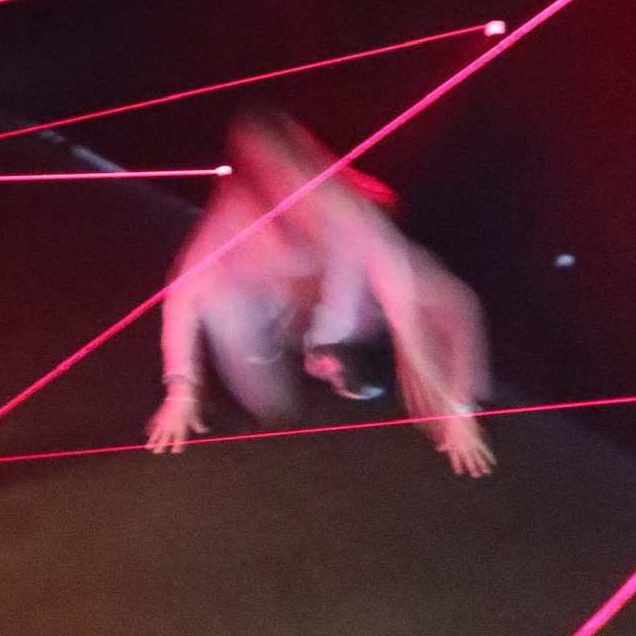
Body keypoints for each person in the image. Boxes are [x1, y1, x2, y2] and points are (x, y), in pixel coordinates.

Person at [147, 109, 494, 476]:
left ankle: (363, 363)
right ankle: (310, 361)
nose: (276, 185)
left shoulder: (344, 210)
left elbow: (442, 306)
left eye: (281, 170)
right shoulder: (236, 212)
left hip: (352, 306)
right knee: (269, 399)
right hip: (287, 316)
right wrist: (181, 388)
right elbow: (184, 293)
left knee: (435, 300)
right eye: (260, 172)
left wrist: (456, 407)